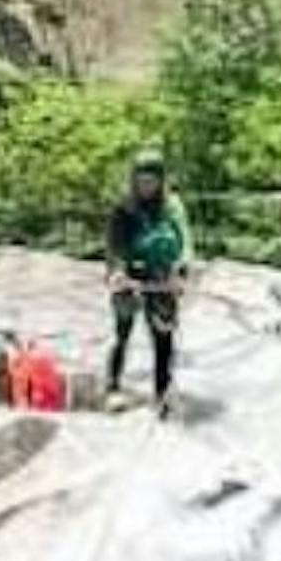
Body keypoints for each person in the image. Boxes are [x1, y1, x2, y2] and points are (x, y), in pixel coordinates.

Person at [103, 148, 191, 410]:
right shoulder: (124, 208)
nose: (146, 187)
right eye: (141, 181)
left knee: (163, 336)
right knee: (123, 331)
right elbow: (114, 244)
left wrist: (181, 269)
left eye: (151, 181)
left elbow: (185, 240)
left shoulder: (172, 206)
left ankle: (162, 392)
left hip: (161, 275)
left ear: (161, 180)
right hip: (129, 272)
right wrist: (117, 272)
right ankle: (113, 387)